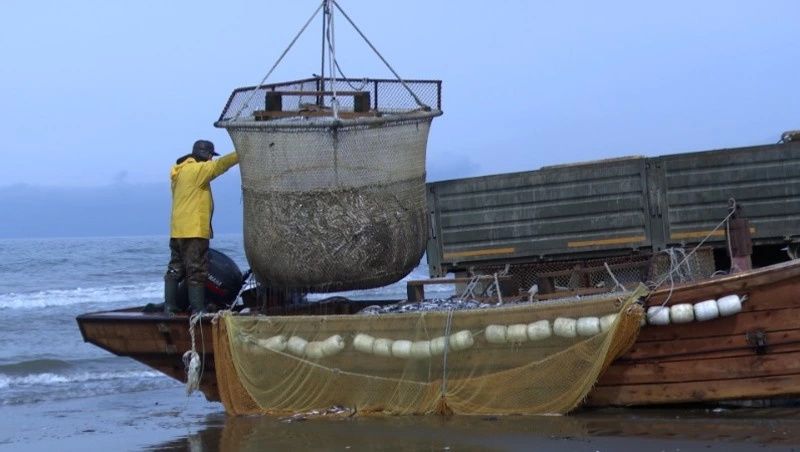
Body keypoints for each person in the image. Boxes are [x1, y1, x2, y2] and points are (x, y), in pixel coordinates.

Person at [164, 139, 239, 314]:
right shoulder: (197, 170)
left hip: (177, 231)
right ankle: (198, 309)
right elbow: (221, 165)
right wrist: (242, 154)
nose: (212, 159)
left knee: (175, 268)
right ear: (206, 155)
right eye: (211, 156)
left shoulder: (179, 172)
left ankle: (170, 306)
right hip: (194, 231)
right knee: (196, 271)